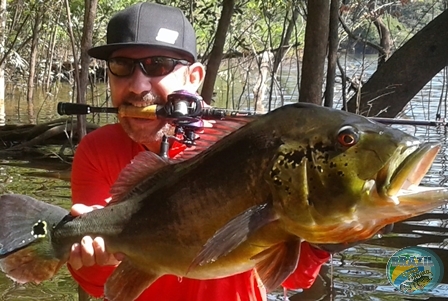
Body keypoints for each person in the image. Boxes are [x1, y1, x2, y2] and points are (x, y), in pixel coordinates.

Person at [66, 2, 373, 300]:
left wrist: (331, 238)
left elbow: (289, 278)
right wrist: (92, 256)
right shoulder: (96, 149)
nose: (136, 85)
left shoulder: (250, 146)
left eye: (157, 65)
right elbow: (99, 285)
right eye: (122, 66)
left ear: (194, 77)